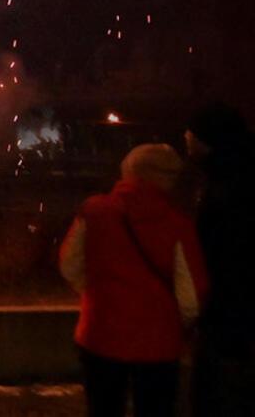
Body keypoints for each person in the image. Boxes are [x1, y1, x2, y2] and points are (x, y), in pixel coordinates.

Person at [60, 143, 208, 417]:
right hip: (158, 343)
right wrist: (182, 324)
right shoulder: (179, 225)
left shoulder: (93, 211)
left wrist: (96, 294)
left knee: (103, 408)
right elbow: (191, 294)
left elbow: (70, 264)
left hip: (99, 333)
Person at [186, 106, 255, 414]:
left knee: (221, 393)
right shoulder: (232, 177)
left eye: (192, 134)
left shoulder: (226, 189)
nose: (186, 139)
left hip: (228, 314)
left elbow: (220, 252)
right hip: (231, 310)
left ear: (208, 140)